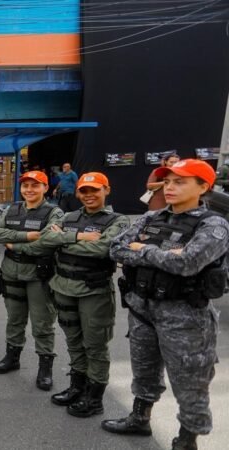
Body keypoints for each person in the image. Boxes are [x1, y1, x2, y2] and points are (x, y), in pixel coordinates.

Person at [103, 159, 228, 450]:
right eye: (167, 181)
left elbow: (188, 262)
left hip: (186, 316)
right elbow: (116, 248)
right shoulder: (152, 217)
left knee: (190, 381)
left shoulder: (214, 225)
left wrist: (143, 249)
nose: (170, 187)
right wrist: (161, 254)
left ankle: (187, 440)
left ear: (203, 187)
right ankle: (139, 418)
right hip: (143, 309)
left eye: (180, 182)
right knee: (144, 368)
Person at [34, 172, 129, 417]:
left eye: (95, 190)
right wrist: (78, 236)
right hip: (63, 288)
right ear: (77, 193)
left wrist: (61, 239)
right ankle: (77, 387)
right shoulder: (69, 217)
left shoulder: (117, 221)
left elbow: (102, 249)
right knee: (73, 341)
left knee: (95, 345)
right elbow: (44, 239)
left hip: (93, 292)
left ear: (106, 189)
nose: (89, 196)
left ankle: (94, 398)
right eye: (84, 191)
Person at [0, 170, 64, 391]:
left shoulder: (54, 212)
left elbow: (48, 240)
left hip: (38, 274)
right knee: (14, 318)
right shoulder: (12, 209)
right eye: (25, 186)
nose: (29, 190)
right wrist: (26, 236)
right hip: (11, 271)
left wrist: (13, 243)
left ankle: (45, 367)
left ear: (45, 188)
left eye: (35, 185)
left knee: (42, 323)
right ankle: (12, 357)